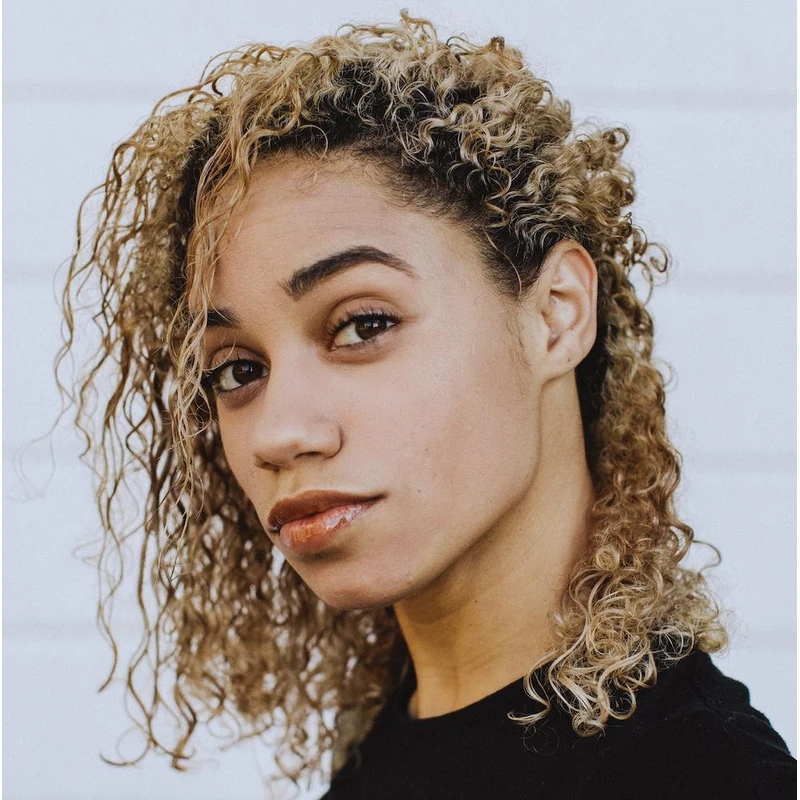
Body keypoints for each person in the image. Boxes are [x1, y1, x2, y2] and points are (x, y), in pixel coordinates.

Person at [58, 12, 795, 798]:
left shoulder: (705, 775)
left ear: (556, 314)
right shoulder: (376, 760)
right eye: (237, 371)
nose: (278, 432)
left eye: (363, 325)